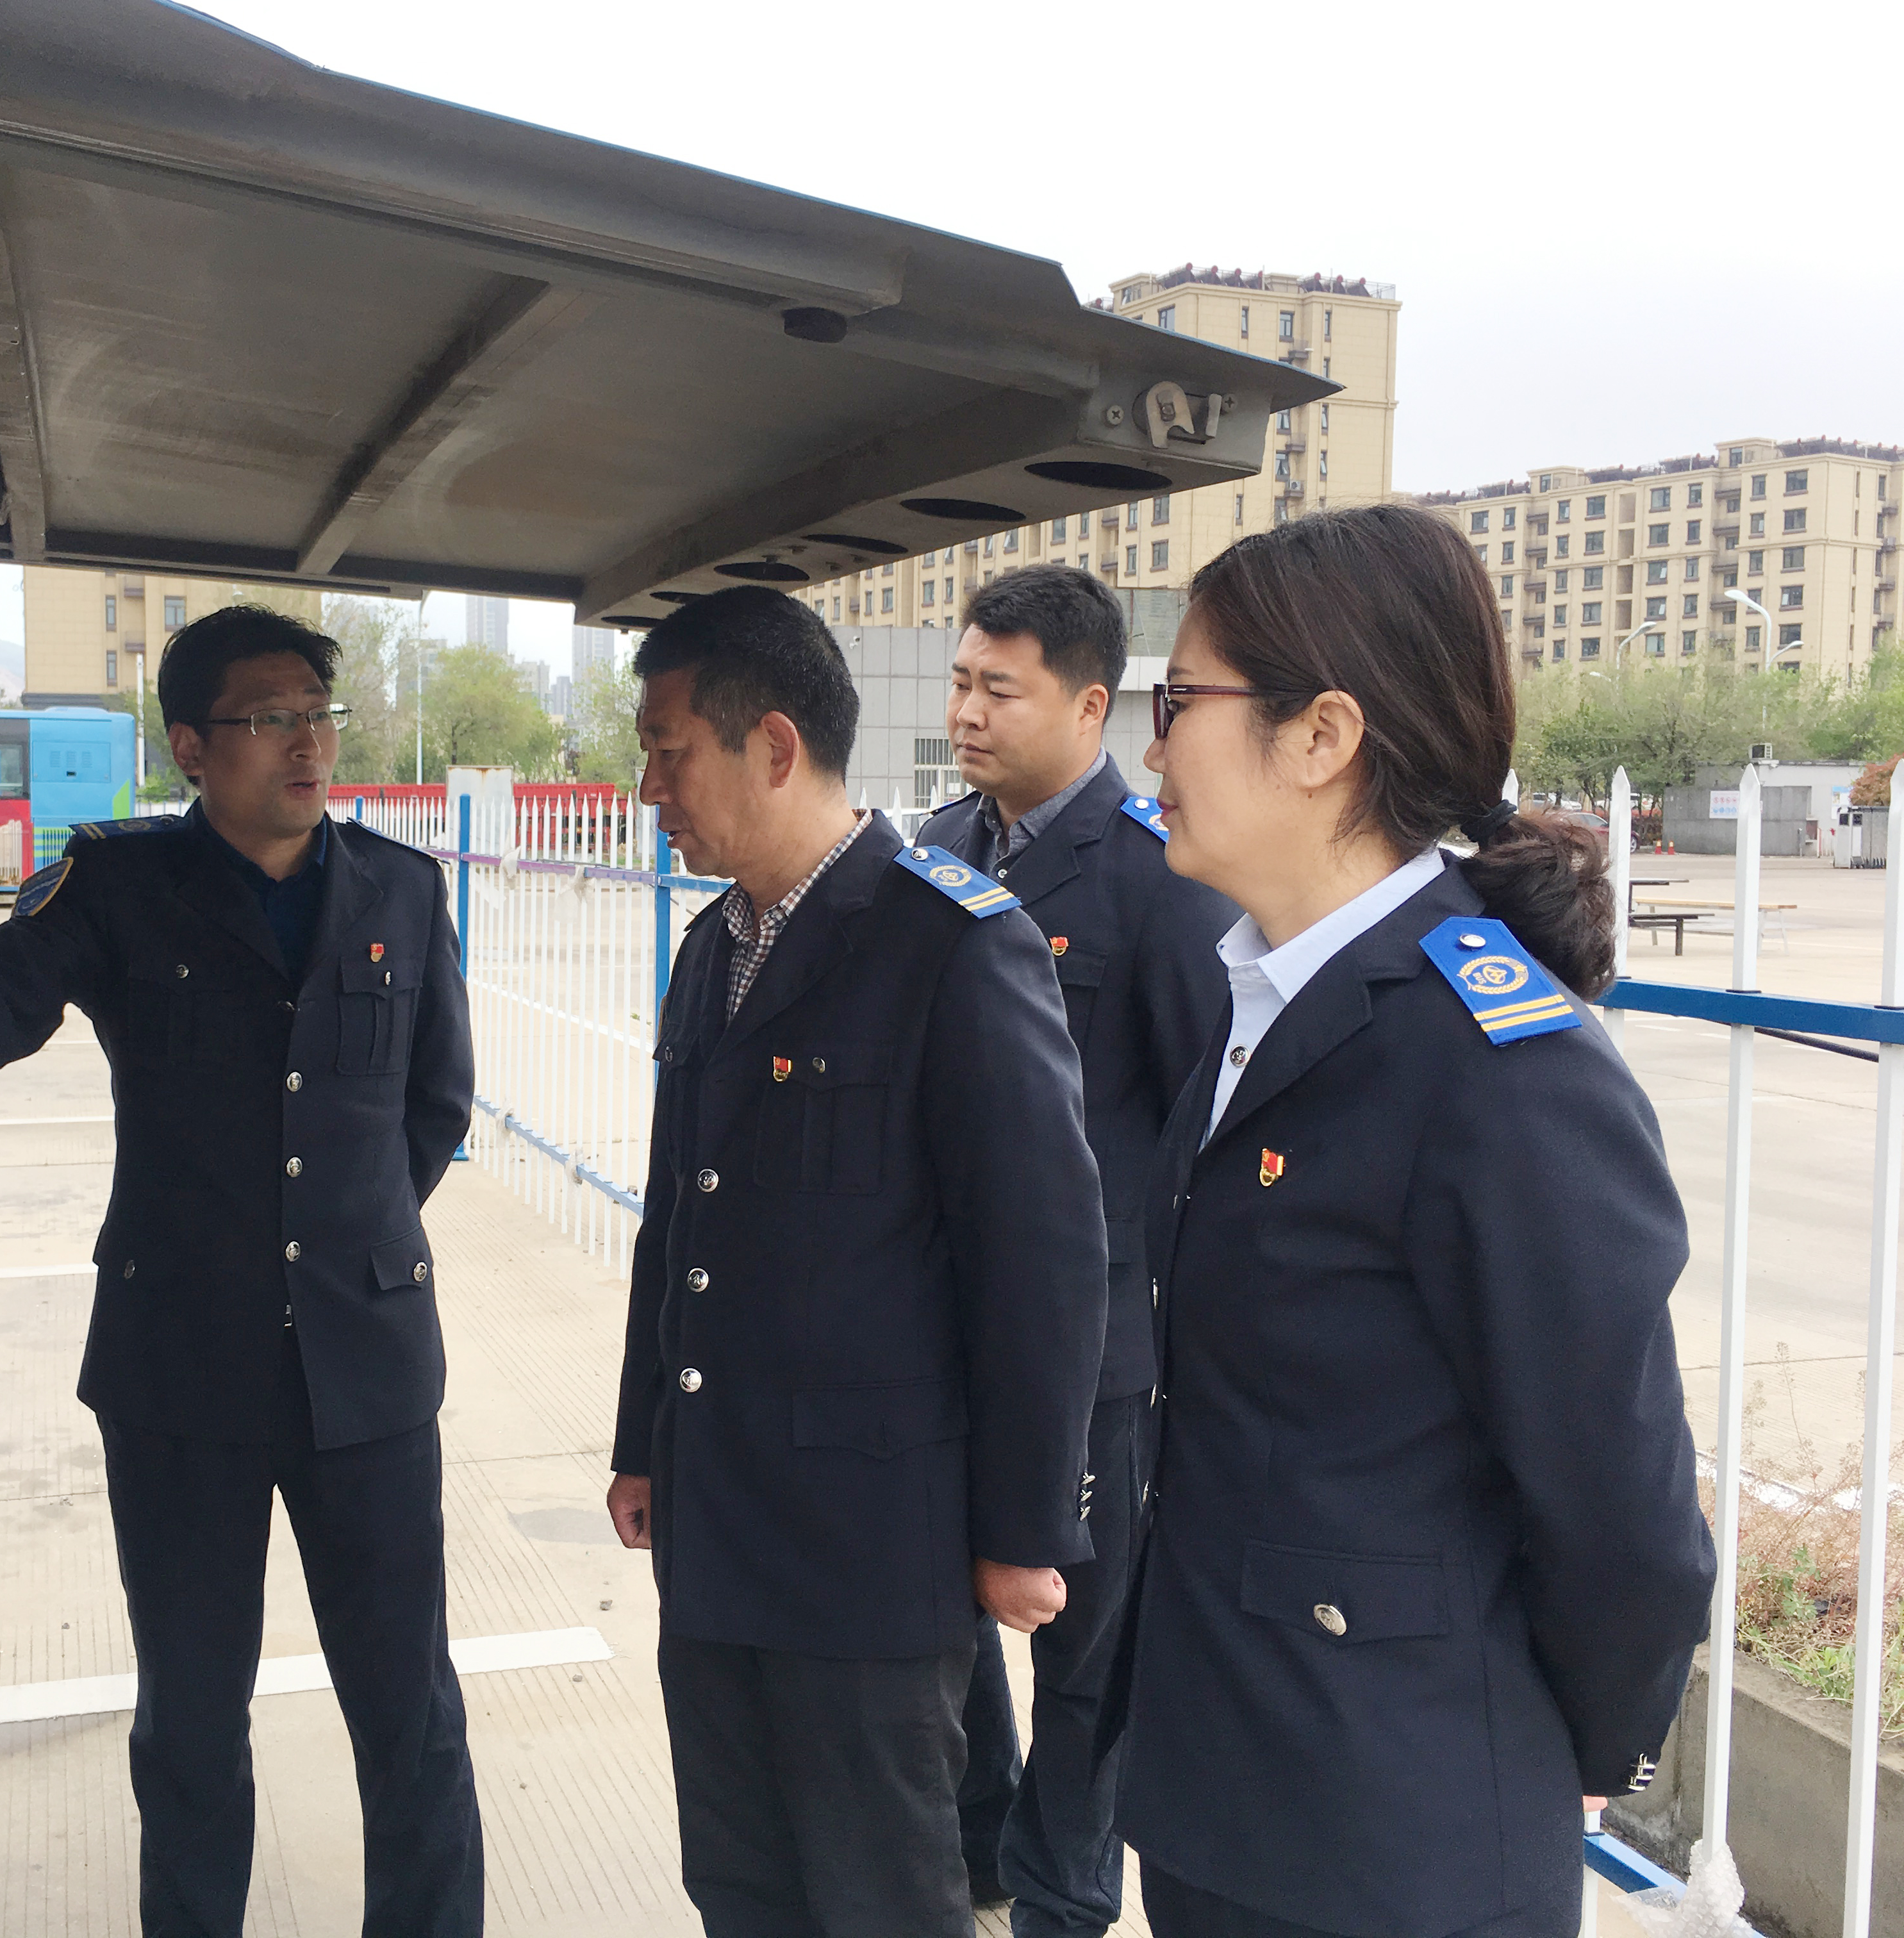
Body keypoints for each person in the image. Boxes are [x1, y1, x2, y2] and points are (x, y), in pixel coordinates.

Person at [0, 606, 483, 1938]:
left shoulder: (402, 888)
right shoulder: (123, 885)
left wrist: (346, 1245)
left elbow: (433, 1106)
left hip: (369, 1369)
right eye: (271, 719)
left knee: (411, 1710)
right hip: (180, 1373)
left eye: (320, 715)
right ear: (193, 747)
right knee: (191, 1717)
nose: (309, 745)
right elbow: (1, 980)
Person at [1116, 506, 1715, 1937]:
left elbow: (1622, 1511)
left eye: (1179, 702)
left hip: (1396, 1833)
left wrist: (1573, 1746)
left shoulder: (1500, 1070)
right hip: (1223, 1790)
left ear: (1321, 737)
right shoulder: (1255, 1002)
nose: (1152, 751)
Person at [604, 585, 1109, 1938]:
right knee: (740, 1881)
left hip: (866, 1549)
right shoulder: (714, 947)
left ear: (772, 746)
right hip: (718, 1520)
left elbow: (1042, 1263)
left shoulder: (951, 943)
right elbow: (677, 1221)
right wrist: (644, 1444)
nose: (649, 789)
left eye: (669, 754)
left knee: (878, 1889)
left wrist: (1022, 1532)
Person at [918, 567, 1236, 1932]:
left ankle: (1063, 1897)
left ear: (1092, 706)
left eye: (1001, 689)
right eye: (961, 682)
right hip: (939, 1325)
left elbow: (1199, 1124)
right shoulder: (940, 844)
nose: (967, 713)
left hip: (1093, 1352)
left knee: (1085, 1651)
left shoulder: (1154, 875)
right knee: (944, 1606)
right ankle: (984, 1839)